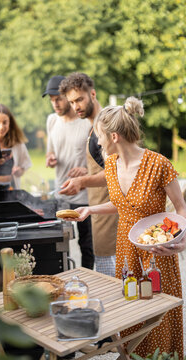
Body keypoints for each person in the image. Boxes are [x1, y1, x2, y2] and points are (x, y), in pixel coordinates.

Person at [66, 96, 186, 358]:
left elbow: (181, 207)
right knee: (131, 312)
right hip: (126, 249)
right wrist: (90, 209)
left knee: (158, 317)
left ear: (114, 136)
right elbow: (123, 204)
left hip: (158, 252)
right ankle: (129, 354)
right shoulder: (111, 165)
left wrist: (181, 241)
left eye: (99, 137)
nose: (98, 143)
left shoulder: (159, 164)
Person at [59, 73, 118, 277]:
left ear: (92, 94)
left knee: (113, 288)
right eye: (72, 102)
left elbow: (119, 173)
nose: (76, 106)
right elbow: (108, 166)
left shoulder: (104, 128)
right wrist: (87, 171)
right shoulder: (94, 127)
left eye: (79, 99)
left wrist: (82, 181)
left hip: (112, 222)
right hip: (102, 217)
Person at [42, 75, 94, 270]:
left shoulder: (87, 122)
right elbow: (50, 151)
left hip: (84, 194)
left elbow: (102, 159)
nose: (55, 104)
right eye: (52, 100)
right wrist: (50, 158)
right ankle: (67, 279)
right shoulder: (51, 121)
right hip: (61, 193)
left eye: (58, 99)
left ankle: (89, 278)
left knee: (86, 244)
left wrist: (87, 170)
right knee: (61, 244)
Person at [0, 104, 32, 189]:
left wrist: (18, 171)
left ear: (10, 122)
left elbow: (24, 166)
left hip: (12, 190)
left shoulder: (17, 143)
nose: (1, 127)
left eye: (5, 122)